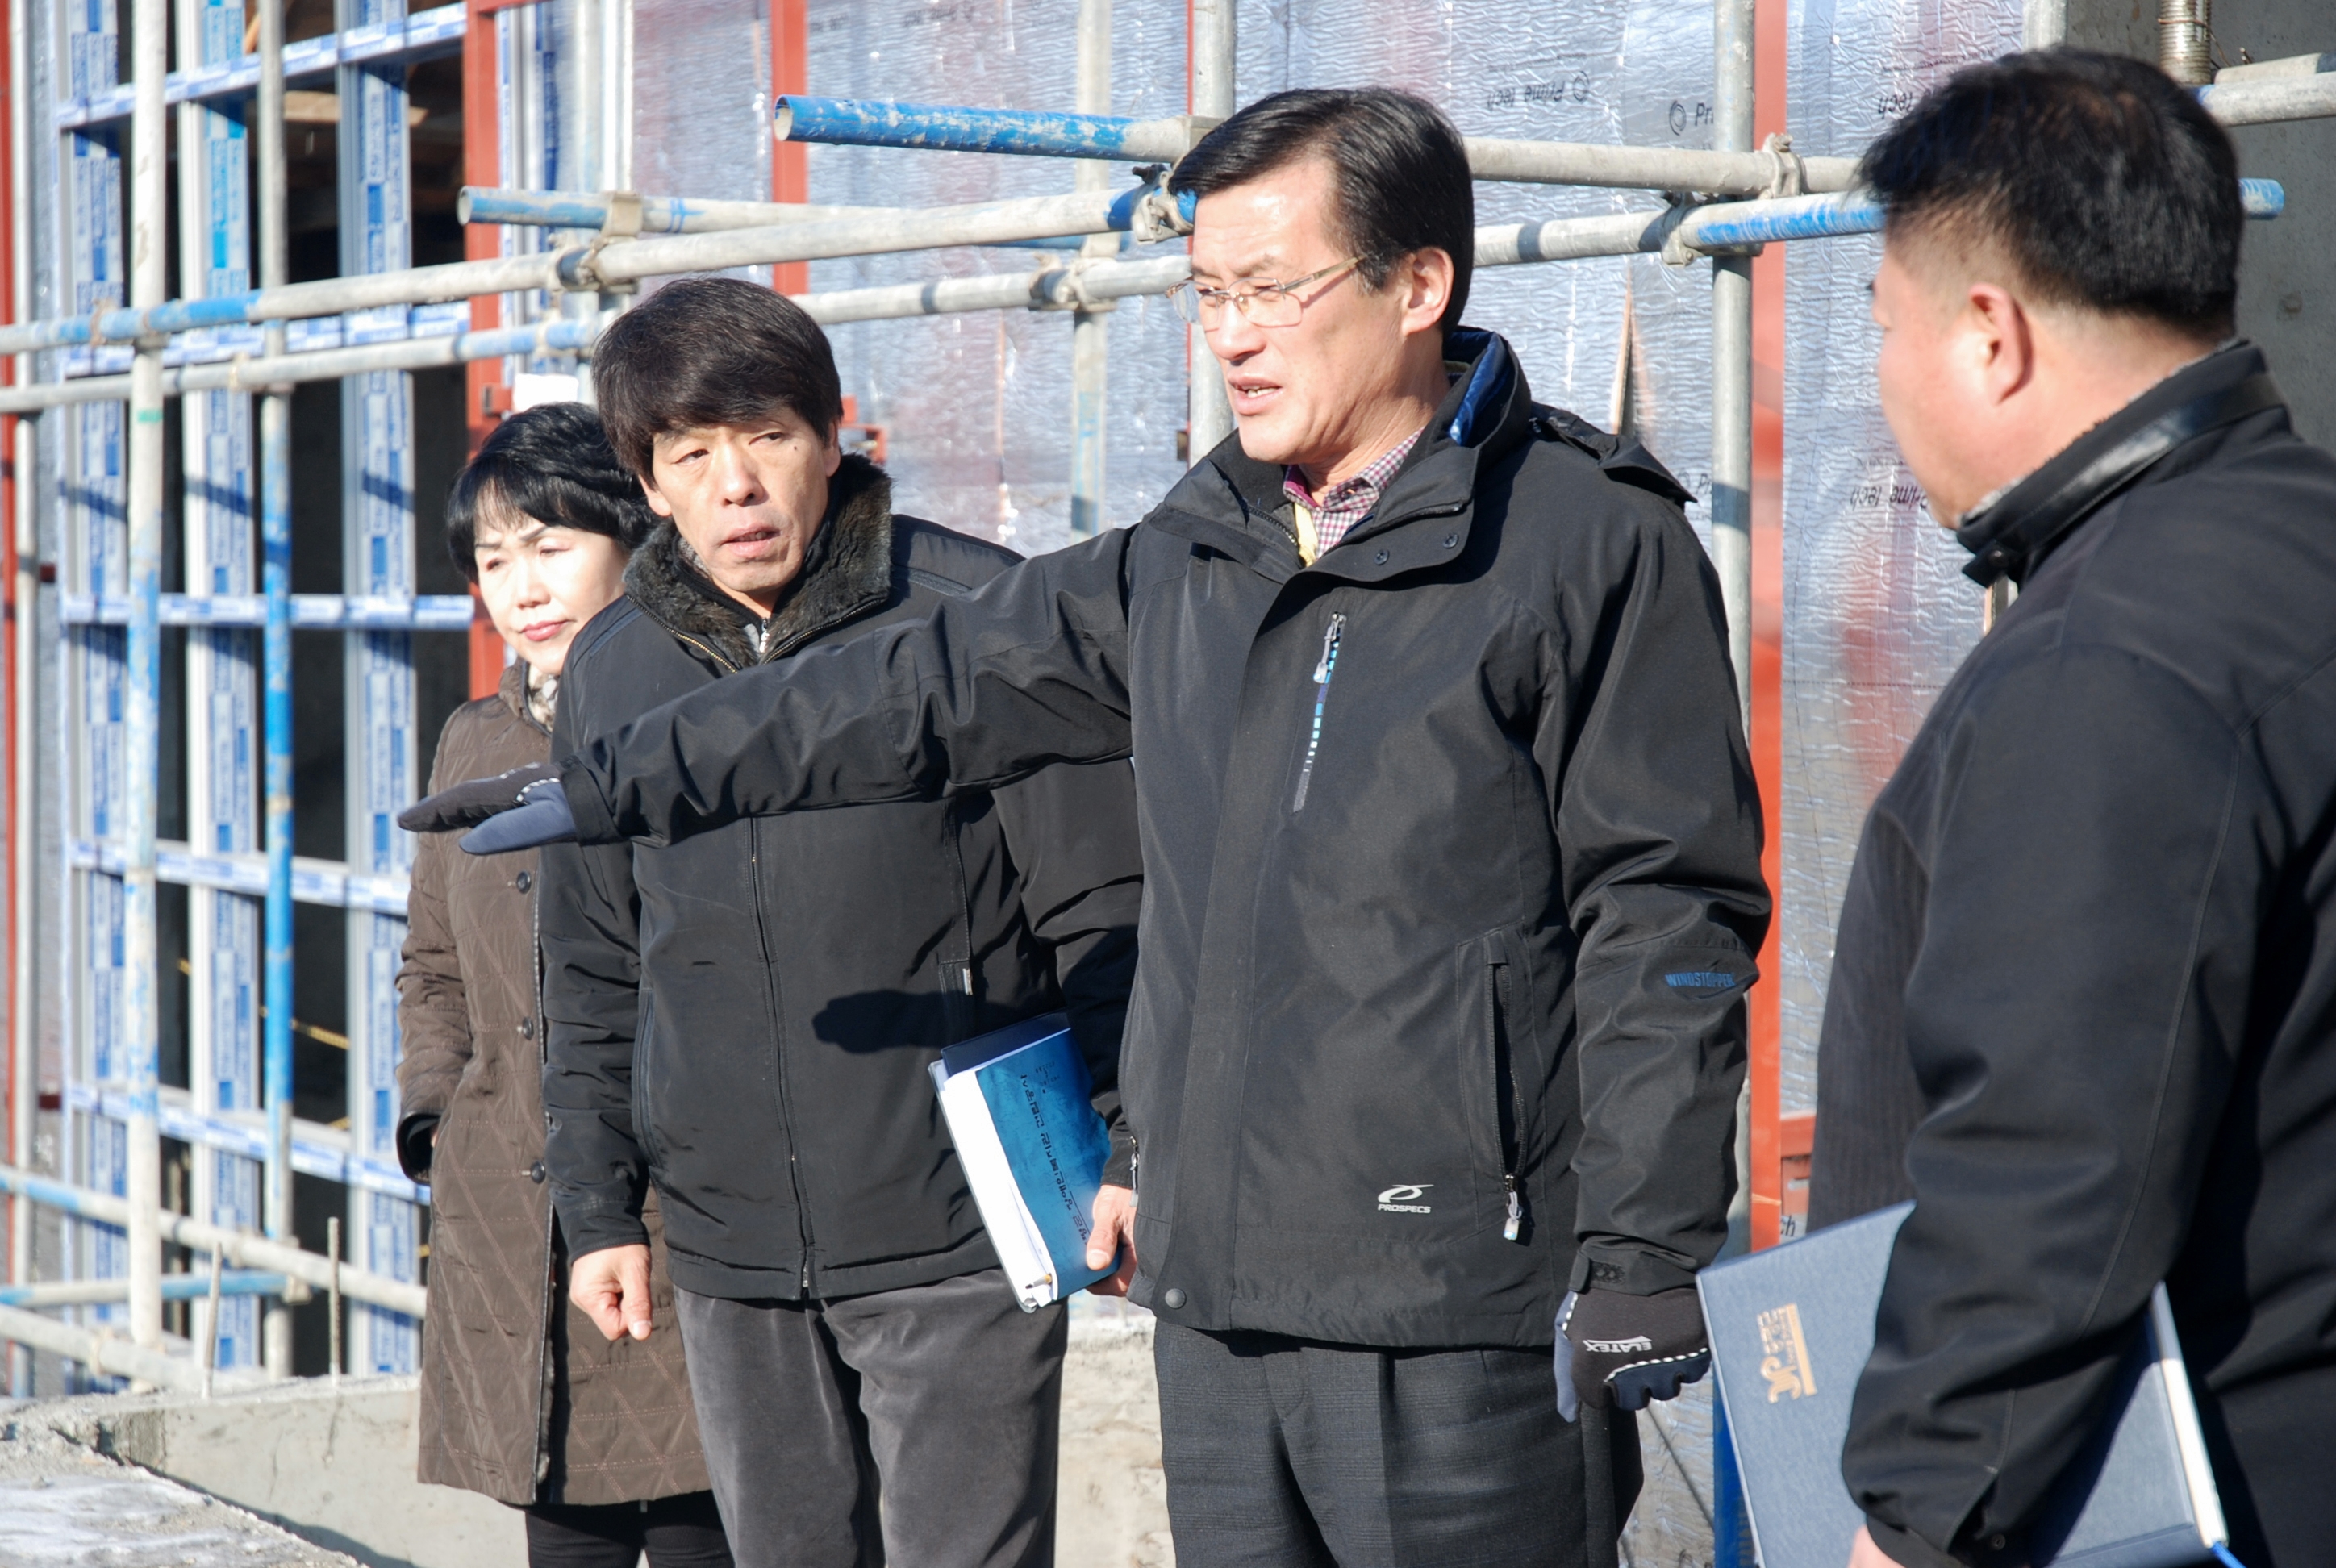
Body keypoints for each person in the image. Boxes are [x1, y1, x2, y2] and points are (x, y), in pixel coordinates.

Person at [423, 90, 1769, 1566]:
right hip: (1223, 1302)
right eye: (1209, 294)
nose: (1232, 336)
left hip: (1460, 1301)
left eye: (1271, 289)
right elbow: (912, 688)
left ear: (1417, 286)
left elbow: (1668, 914)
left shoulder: (1584, 541)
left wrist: (1645, 1249)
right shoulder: (1198, 547)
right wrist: (617, 776)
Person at [478, 279, 1141, 1568]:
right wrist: (600, 1207)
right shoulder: (615, 664)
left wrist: (1133, 1143)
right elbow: (595, 964)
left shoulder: (977, 617)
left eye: (768, 437)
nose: (736, 485)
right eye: (691, 455)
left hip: (960, 1232)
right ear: (648, 483)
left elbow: (1104, 913)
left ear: (834, 436)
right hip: (729, 1248)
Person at [1802, 51, 2336, 1568]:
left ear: (1992, 335)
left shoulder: (2109, 659)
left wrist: (1921, 1511)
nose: (1883, 378)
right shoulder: (2294, 545)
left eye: (1884, 325)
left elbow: (2051, 1155)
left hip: (2197, 1489)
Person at [394, 403, 732, 1568]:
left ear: (636, 538)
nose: (522, 589)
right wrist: (440, 1120)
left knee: (704, 1518)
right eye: (494, 561)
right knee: (563, 1528)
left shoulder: (704, 717)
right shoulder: (474, 740)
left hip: (673, 1206)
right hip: (512, 1210)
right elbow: (433, 964)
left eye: (551, 547)